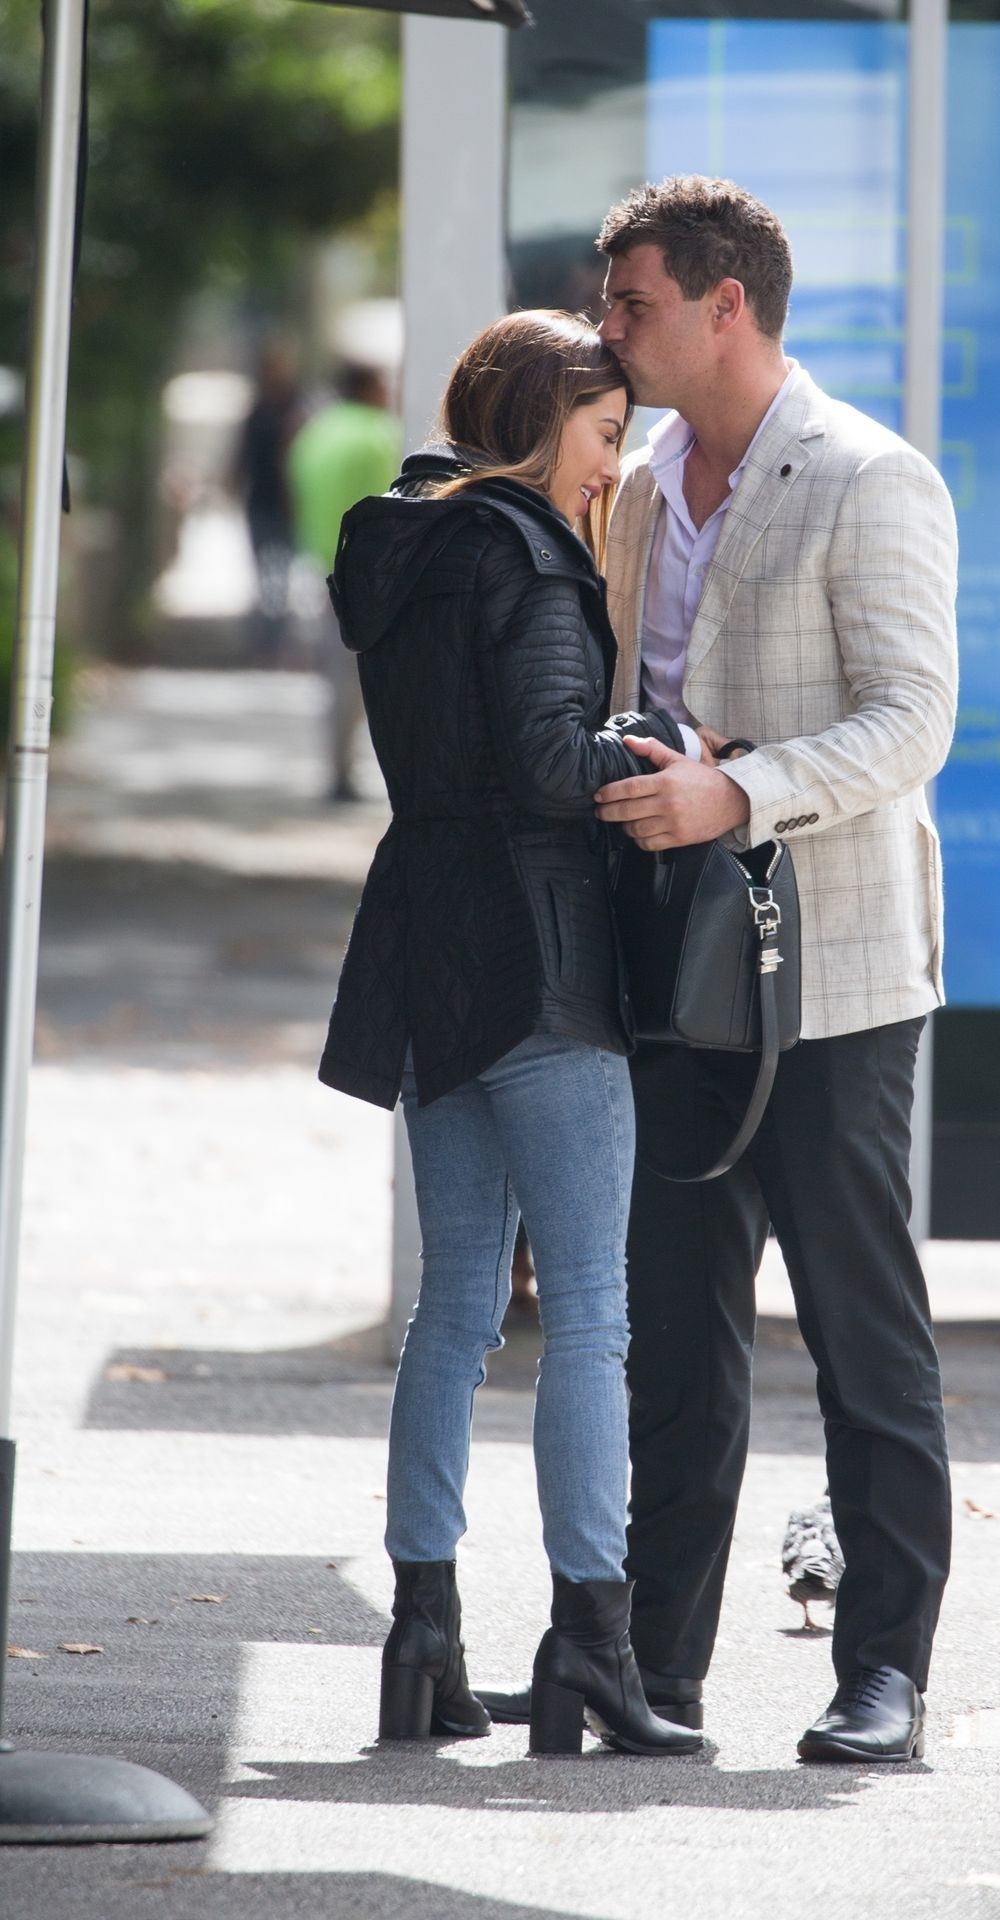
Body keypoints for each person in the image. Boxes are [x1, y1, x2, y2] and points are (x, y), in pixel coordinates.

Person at [590, 176, 959, 1765]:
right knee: (676, 1341)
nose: (609, 329)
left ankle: (885, 1674)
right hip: (670, 966)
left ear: (725, 305)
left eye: (635, 304)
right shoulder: (635, 483)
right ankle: (656, 1673)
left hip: (837, 974)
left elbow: (912, 719)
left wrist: (736, 792)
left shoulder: (870, 475)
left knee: (862, 1339)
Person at [317, 311, 705, 1759]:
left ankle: (421, 1639)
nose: (612, 467)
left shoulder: (402, 543)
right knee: (591, 1310)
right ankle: (593, 1645)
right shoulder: (528, 556)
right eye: (604, 435)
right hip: (541, 960)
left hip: (428, 951)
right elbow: (551, 764)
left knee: (457, 1309)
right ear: (541, 420)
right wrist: (675, 749)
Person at [287, 362, 402, 801]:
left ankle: (338, 769)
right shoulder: (378, 435)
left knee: (337, 679)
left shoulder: (317, 432)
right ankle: (356, 776)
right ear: (369, 388)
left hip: (325, 566)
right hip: (374, 576)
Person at [235, 340, 302, 664]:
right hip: (260, 501)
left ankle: (275, 640)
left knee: (281, 574)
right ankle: (266, 638)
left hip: (287, 504)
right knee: (263, 574)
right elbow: (242, 456)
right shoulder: (258, 409)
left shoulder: (295, 409)